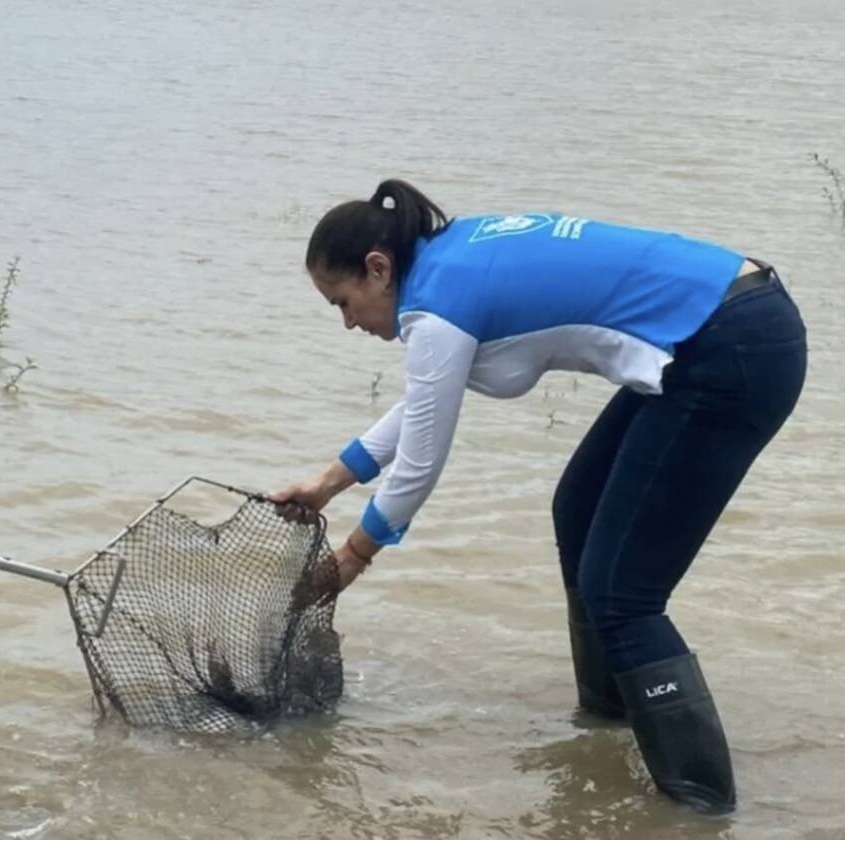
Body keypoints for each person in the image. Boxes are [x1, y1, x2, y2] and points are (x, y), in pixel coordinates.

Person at [273, 179, 807, 815]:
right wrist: (329, 481)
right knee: (576, 511)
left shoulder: (437, 304)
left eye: (342, 301)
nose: (347, 322)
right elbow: (425, 406)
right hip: (727, 323)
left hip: (731, 348)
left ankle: (700, 810)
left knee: (622, 596)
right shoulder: (448, 261)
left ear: (378, 268)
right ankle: (608, 723)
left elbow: (419, 462)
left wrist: (352, 557)